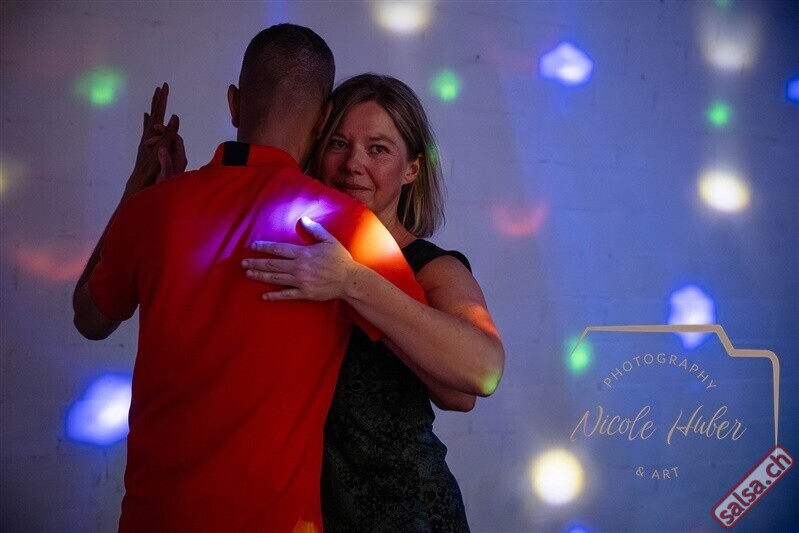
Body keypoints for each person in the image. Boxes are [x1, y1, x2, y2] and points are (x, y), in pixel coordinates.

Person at [72, 26, 425, 532]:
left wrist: (136, 189)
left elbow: (88, 318)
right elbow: (457, 380)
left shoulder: (152, 209)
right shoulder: (347, 225)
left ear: (235, 103)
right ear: (324, 117)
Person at [241, 74, 505, 532]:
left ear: (412, 169)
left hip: (406, 513)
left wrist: (351, 281)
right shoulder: (291, 248)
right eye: (338, 143)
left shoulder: (431, 267)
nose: (353, 164)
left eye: (378, 148)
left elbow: (479, 376)